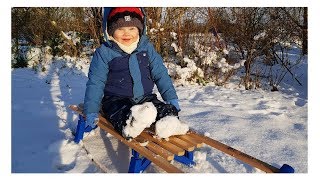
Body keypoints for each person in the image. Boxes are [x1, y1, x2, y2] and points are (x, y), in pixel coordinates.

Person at [83, 7, 180, 139]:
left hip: (145, 98)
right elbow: (96, 82)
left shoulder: (146, 49)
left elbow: (160, 74)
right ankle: (130, 126)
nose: (126, 33)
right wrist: (91, 110)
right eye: (120, 29)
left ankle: (169, 123)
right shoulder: (105, 53)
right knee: (120, 113)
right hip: (116, 99)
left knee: (163, 109)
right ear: (111, 30)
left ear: (140, 29)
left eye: (132, 28)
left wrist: (171, 97)